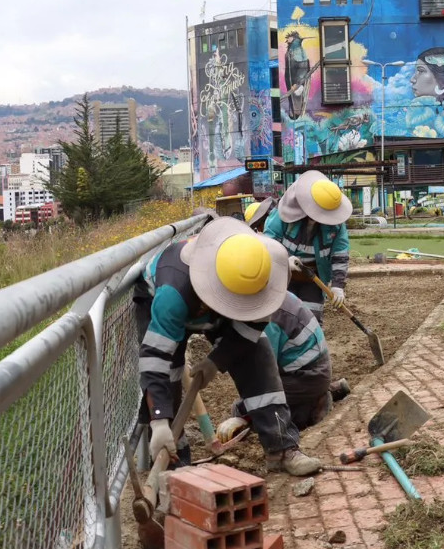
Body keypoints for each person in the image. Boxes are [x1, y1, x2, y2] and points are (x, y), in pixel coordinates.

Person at [132, 216, 322, 477]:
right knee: (169, 375)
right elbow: (155, 361)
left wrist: (216, 361)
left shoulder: (263, 273)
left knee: (258, 360)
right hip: (166, 297)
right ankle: (175, 462)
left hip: (219, 297)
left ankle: (282, 448)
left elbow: (250, 329)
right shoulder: (172, 296)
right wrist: (159, 419)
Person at [230, 292, 351, 431]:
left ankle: (314, 405)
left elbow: (264, 369)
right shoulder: (277, 293)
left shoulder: (266, 318)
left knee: (248, 407)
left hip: (308, 376)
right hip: (314, 369)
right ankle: (325, 392)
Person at [262, 170, 352, 325]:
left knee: (311, 321)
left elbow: (340, 254)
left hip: (313, 277)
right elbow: (268, 242)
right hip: (283, 276)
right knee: (281, 318)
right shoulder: (284, 212)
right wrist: (283, 260)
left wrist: (338, 285)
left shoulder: (336, 224)